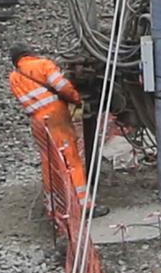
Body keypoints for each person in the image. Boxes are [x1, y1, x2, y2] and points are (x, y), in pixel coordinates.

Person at [8, 43, 109, 218]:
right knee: (71, 160)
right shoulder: (43, 64)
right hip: (56, 116)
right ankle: (83, 205)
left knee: (50, 163)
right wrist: (77, 99)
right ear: (30, 53)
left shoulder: (14, 76)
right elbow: (62, 86)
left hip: (37, 121)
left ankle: (56, 206)